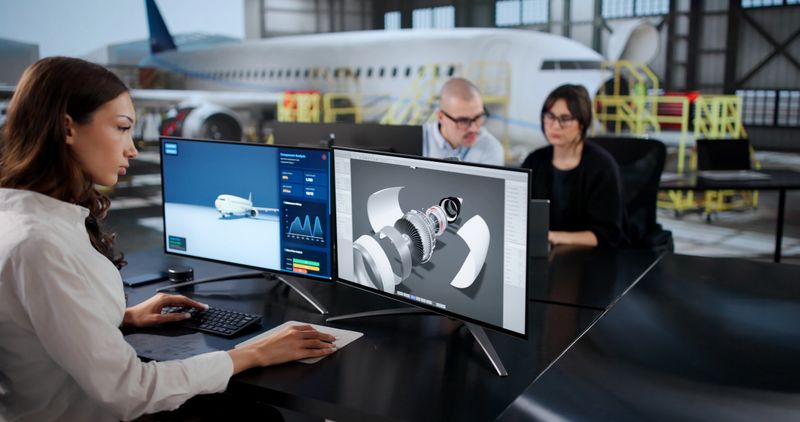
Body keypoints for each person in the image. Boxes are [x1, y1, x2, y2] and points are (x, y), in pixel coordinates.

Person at [0, 57, 336, 422]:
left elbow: (38, 325)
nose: (131, 148)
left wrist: (121, 317)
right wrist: (253, 353)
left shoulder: (21, 218)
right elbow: (131, 390)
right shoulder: (41, 246)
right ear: (67, 128)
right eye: (121, 128)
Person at [521, 84, 627, 247]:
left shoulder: (602, 167)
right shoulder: (534, 161)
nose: (555, 126)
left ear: (582, 123)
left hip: (590, 260)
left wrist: (554, 237)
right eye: (550, 116)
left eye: (565, 119)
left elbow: (607, 235)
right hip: (545, 252)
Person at [423, 77, 504, 166]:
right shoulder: (414, 141)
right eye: (463, 121)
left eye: (478, 117)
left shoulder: (490, 148)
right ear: (441, 117)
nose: (474, 129)